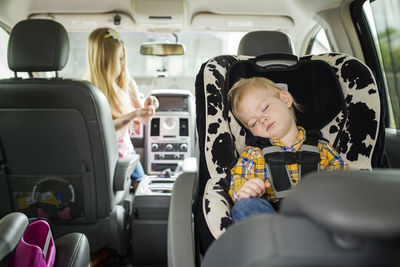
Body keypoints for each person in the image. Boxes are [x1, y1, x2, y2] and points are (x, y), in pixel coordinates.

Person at [228, 77, 348, 222]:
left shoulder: (321, 148)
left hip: (317, 215)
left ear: (285, 99)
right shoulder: (253, 154)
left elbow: (344, 178)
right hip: (273, 219)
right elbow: (237, 181)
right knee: (244, 207)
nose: (262, 119)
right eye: (253, 123)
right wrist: (245, 190)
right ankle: (281, 237)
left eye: (265, 108)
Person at [87, 27, 159, 184]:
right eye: (119, 58)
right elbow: (102, 130)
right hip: (103, 157)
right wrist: (134, 114)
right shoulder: (89, 91)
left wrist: (148, 107)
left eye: (123, 57)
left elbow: (144, 120)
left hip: (126, 151)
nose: (123, 63)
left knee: (142, 186)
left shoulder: (127, 84)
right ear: (105, 60)